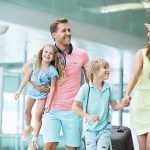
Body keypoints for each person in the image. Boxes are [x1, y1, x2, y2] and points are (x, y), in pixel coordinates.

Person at [40, 18, 89, 150]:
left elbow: (90, 82)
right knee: (49, 145)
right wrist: (40, 87)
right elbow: (30, 73)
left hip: (73, 110)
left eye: (69, 30)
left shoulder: (82, 54)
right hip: (51, 110)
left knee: (72, 148)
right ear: (54, 35)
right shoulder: (47, 55)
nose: (68, 33)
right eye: (64, 31)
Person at [14, 44, 65, 150]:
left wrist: (49, 103)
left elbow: (53, 88)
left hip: (43, 95)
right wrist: (19, 90)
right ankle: (28, 127)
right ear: (42, 53)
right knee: (26, 111)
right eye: (46, 52)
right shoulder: (35, 64)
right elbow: (27, 77)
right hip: (32, 92)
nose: (47, 54)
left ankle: (34, 141)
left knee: (38, 116)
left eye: (50, 53)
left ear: (54, 57)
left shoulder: (52, 71)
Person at [72, 58, 130, 150]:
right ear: (95, 72)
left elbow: (114, 106)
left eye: (108, 68)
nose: (108, 70)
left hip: (105, 128)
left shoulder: (109, 87)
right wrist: (88, 116)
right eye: (105, 68)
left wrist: (123, 104)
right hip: (90, 130)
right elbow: (74, 107)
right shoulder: (85, 88)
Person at [123, 23, 150, 150]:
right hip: (140, 103)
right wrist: (127, 94)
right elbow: (134, 76)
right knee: (142, 148)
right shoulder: (142, 53)